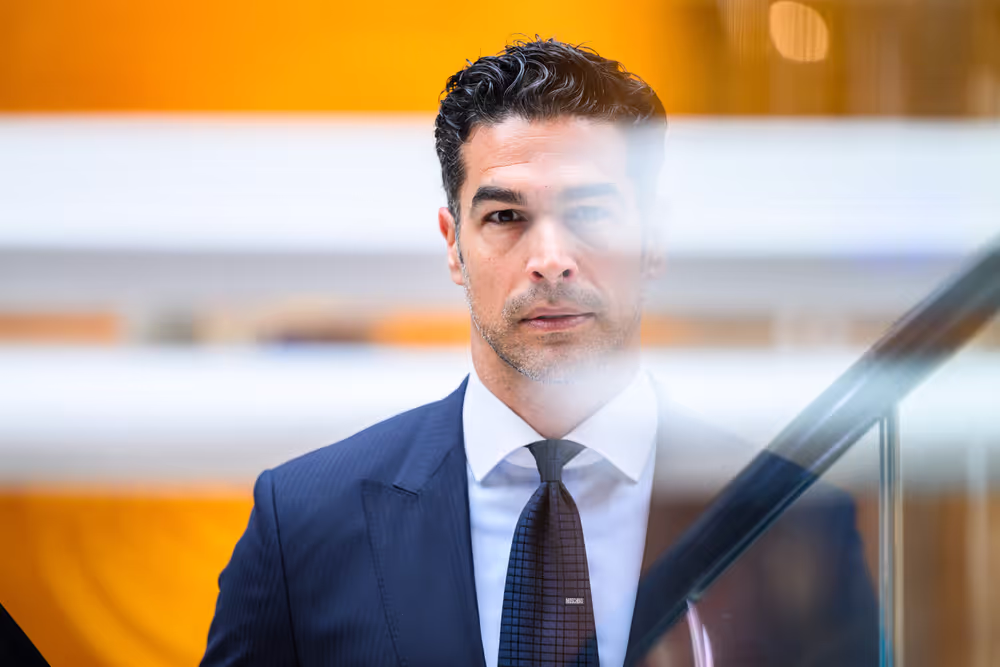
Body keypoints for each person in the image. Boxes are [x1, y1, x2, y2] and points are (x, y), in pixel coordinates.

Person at [201, 38, 878, 667]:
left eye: (588, 213)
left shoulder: (792, 522)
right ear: (452, 245)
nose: (550, 260)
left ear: (656, 238)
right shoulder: (305, 521)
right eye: (505, 217)